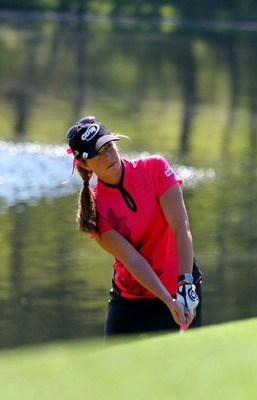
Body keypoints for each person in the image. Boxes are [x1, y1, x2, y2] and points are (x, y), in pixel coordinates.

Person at [65, 116, 202, 337]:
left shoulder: (155, 168)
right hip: (131, 302)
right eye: (97, 154)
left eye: (109, 146)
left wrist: (185, 284)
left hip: (182, 286)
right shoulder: (93, 210)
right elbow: (132, 259)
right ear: (84, 164)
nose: (108, 156)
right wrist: (168, 301)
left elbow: (181, 226)